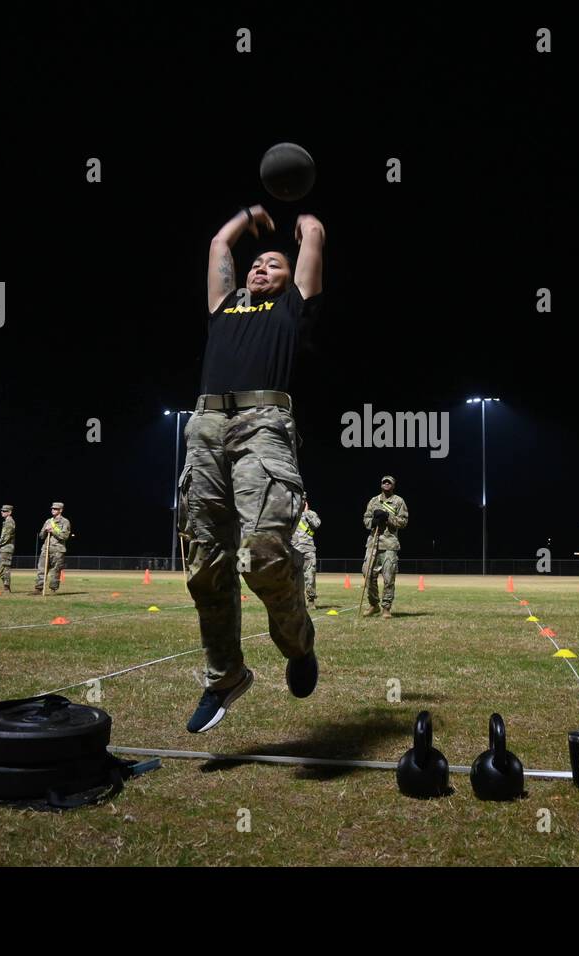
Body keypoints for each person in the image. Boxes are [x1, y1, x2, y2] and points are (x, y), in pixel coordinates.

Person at [179, 203, 325, 733]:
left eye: (275, 265)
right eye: (257, 263)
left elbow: (313, 236)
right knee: (204, 565)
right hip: (204, 426)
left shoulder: (292, 307)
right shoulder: (224, 306)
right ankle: (225, 676)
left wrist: (304, 221)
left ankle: (297, 642)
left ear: (291, 281)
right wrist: (248, 216)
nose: (263, 268)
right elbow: (219, 246)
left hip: (263, 424)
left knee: (262, 554)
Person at [361, 476, 408, 619]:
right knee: (367, 574)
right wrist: (374, 522)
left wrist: (388, 517)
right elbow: (366, 519)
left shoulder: (399, 501)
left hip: (389, 544)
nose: (386, 484)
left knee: (388, 577)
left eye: (389, 482)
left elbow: (403, 522)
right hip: (373, 543)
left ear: (393, 485)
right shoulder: (374, 501)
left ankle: (386, 608)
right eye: (384, 482)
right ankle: (373, 604)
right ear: (381, 485)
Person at [33, 502, 71, 594]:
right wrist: (46, 531)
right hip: (46, 549)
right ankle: (39, 588)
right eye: (52, 509)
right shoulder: (48, 521)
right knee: (41, 569)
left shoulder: (65, 522)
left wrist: (53, 531)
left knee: (56, 570)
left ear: (60, 510)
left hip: (58, 550)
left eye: (55, 509)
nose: (53, 510)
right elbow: (41, 536)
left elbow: (64, 536)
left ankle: (53, 589)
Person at [292, 494, 321, 610]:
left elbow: (317, 524)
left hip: (308, 549)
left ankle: (311, 601)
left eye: (303, 499)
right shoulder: (291, 514)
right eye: (299, 499)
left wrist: (307, 512)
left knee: (310, 576)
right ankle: (296, 601)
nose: (301, 501)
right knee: (294, 578)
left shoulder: (311, 514)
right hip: (294, 550)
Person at [0, 505, 16, 592]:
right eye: (2, 511)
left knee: (4, 568)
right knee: (1, 569)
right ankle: (6, 586)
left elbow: (6, 536)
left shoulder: (9, 522)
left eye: (5, 511)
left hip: (7, 548)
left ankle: (6, 587)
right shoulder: (6, 521)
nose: (2, 512)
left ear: (9, 512)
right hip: (3, 548)